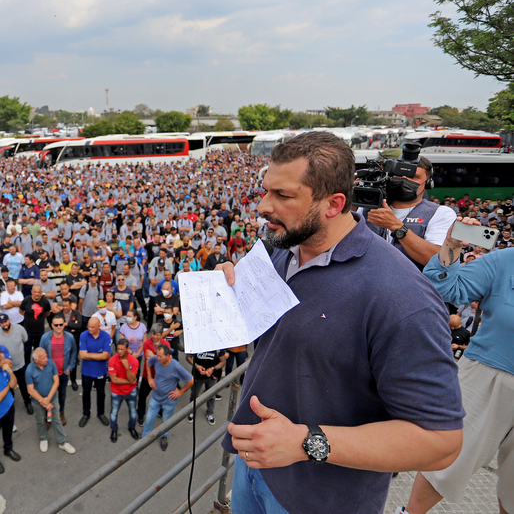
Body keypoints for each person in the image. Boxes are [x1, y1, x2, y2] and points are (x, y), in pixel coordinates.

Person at [219, 132, 463, 513]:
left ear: (334, 204)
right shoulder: (282, 252)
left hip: (321, 499)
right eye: (266, 191)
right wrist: (229, 294)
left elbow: (441, 442)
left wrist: (304, 443)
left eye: (283, 196)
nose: (263, 206)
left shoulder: (401, 296)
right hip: (254, 469)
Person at [404, 219, 514, 514]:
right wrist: (451, 246)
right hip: (486, 376)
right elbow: (444, 288)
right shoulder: (505, 259)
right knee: (450, 456)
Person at [362, 154, 455, 268]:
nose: (405, 180)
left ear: (427, 184)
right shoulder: (366, 205)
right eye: (400, 175)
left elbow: (436, 260)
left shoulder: (441, 213)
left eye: (413, 176)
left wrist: (396, 226)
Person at [141, 344, 192, 451]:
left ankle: (164, 437)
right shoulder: (157, 359)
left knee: (166, 421)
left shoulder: (176, 366)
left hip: (169, 400)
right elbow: (148, 362)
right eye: (157, 355)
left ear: (168, 356)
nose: (157, 358)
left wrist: (180, 392)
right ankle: (145, 437)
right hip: (156, 397)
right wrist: (150, 378)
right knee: (149, 418)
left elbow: (190, 380)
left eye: (160, 356)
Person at [25, 348, 76, 455]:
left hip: (52, 399)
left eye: (46, 356)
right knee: (40, 421)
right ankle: (43, 438)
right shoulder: (29, 370)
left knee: (56, 420)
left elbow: (56, 381)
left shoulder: (51, 364)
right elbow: (30, 390)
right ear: (36, 360)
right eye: (43, 358)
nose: (46, 359)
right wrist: (43, 401)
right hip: (37, 402)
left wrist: (48, 399)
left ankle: (62, 441)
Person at [0, 314, 33, 415]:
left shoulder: (20, 329)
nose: (4, 324)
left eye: (5, 321)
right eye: (2, 323)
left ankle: (27, 402)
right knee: (8, 386)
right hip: (5, 368)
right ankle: (11, 402)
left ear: (9, 320)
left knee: (23, 385)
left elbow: (25, 341)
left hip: (19, 365)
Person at [39, 314, 77, 425]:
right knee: (48, 396)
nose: (59, 327)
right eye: (56, 325)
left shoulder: (69, 337)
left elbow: (74, 352)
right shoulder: (45, 338)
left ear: (64, 324)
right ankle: (48, 415)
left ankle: (61, 413)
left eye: (61, 324)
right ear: (52, 325)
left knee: (62, 395)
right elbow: (40, 353)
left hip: (63, 373)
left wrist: (70, 367)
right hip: (49, 375)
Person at [78, 316, 111, 428]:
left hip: (100, 372)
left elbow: (106, 356)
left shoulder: (106, 337)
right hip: (86, 372)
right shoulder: (84, 335)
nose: (89, 329)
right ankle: (86, 413)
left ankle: (100, 413)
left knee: (101, 394)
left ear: (99, 326)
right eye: (89, 326)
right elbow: (82, 355)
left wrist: (89, 355)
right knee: (86, 394)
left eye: (92, 327)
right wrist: (99, 355)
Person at [108, 338, 140, 442]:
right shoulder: (112, 360)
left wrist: (127, 368)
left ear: (127, 349)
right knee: (114, 412)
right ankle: (114, 429)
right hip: (117, 392)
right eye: (118, 349)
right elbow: (114, 379)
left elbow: (133, 378)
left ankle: (131, 427)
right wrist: (130, 382)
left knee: (133, 412)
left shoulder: (134, 361)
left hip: (131, 391)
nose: (119, 351)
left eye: (122, 349)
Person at [186, 348, 227, 426]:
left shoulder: (217, 346)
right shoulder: (196, 343)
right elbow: (188, 357)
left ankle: (210, 413)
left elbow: (223, 361)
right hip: (197, 376)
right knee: (194, 395)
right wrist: (197, 366)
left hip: (212, 377)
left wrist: (212, 369)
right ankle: (192, 412)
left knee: (211, 396)